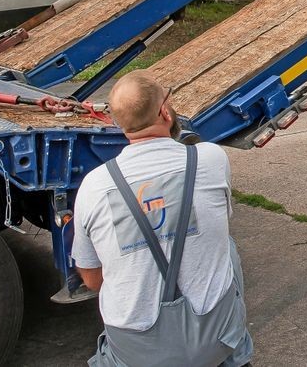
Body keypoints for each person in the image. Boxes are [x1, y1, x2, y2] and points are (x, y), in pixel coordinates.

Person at [72, 71, 253, 367]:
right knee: (227, 246)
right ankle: (235, 358)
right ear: (165, 112)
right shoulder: (209, 159)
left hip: (137, 354)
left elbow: (92, 280)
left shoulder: (94, 186)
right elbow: (218, 226)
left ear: (119, 123)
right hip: (214, 339)